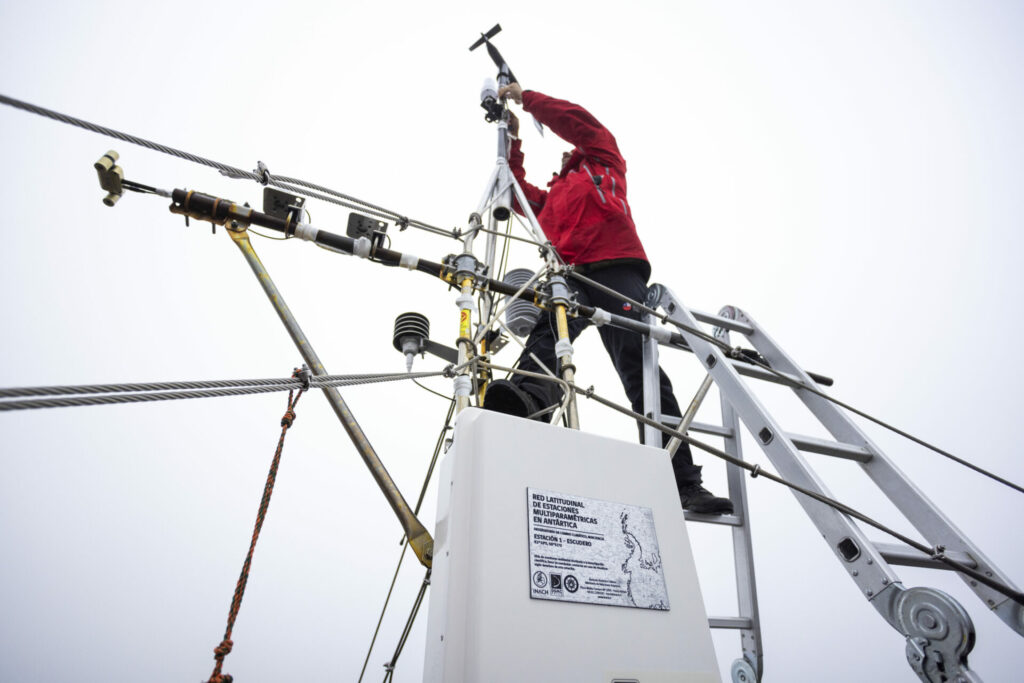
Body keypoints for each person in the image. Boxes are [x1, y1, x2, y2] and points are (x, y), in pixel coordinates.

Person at [484, 83, 733, 515]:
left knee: (641, 370)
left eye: (567, 152)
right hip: (570, 274)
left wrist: (527, 98)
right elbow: (515, 191)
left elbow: (578, 122)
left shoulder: (603, 158)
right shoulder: (554, 197)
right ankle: (525, 408)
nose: (563, 156)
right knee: (546, 337)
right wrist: (512, 136)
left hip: (617, 267)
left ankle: (682, 482)